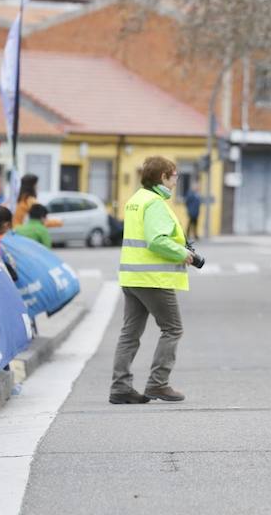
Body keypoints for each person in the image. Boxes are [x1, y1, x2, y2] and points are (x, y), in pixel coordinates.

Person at [111, 156, 195, 405]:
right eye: (174, 175)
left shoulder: (136, 200)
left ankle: (120, 387)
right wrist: (184, 253)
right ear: (163, 177)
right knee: (172, 329)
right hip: (152, 278)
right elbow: (156, 240)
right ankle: (158, 384)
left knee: (130, 334)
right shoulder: (155, 203)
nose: (176, 179)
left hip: (131, 276)